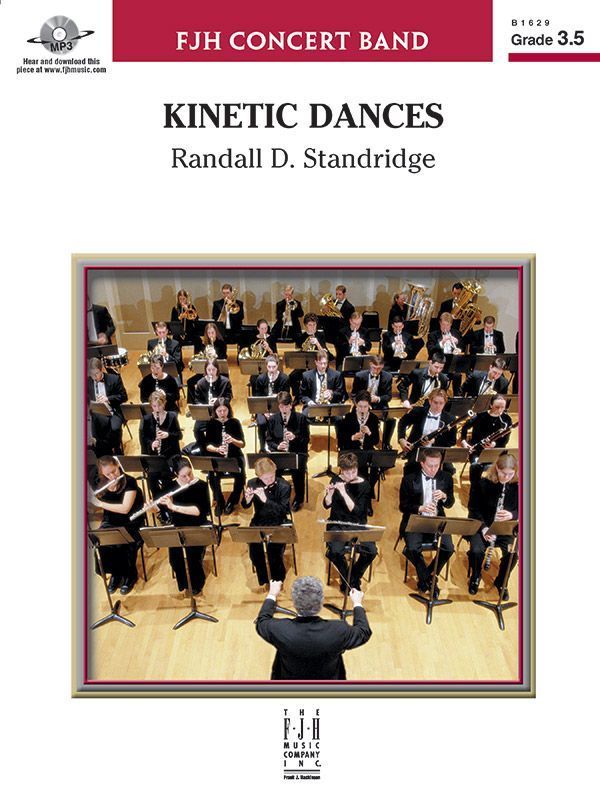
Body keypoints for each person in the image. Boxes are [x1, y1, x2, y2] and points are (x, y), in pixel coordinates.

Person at [255, 576, 371, 680]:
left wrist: (272, 594)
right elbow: (363, 632)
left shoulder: (280, 629)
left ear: (294, 602)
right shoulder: (338, 630)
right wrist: (357, 603)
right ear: (321, 602)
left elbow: (261, 621)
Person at [399, 448, 455, 595]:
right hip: (415, 519)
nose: (434, 469)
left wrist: (444, 497)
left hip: (437, 519)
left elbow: (450, 503)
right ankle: (430, 580)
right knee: (412, 548)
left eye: (437, 465)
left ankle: (428, 576)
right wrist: (421, 508)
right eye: (430, 466)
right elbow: (403, 506)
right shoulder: (409, 479)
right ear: (422, 463)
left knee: (448, 548)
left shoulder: (446, 477)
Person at [88, 455, 144, 595]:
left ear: (118, 465)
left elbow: (125, 509)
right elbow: (97, 509)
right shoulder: (102, 483)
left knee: (122, 543)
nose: (112, 476)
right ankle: (116, 574)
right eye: (108, 474)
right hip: (111, 520)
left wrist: (99, 503)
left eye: (114, 471)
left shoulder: (129, 482)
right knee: (103, 542)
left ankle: (130, 575)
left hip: (130, 521)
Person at [157, 457, 212, 596]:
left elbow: (198, 511)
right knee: (174, 559)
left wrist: (173, 506)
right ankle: (183, 584)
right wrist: (152, 508)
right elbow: (161, 510)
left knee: (193, 557)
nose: (188, 478)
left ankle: (197, 584)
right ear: (176, 474)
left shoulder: (201, 486)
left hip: (197, 525)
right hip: (177, 525)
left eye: (190, 473)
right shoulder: (169, 487)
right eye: (184, 476)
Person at [467, 452, 519, 599]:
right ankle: (475, 576)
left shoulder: (518, 486)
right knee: (476, 550)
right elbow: (473, 509)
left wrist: (512, 515)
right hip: (482, 526)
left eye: (510, 474)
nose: (506, 477)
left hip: (505, 529)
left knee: (513, 554)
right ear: (497, 468)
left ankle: (501, 581)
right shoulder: (483, 484)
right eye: (503, 473)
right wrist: (484, 528)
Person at [324, 452, 376, 591]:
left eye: (354, 472)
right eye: (347, 473)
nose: (351, 476)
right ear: (341, 470)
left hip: (358, 524)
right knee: (335, 551)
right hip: (337, 524)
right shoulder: (335, 480)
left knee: (371, 551)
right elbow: (327, 505)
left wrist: (344, 493)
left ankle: (353, 576)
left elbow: (358, 512)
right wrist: (329, 494)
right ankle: (347, 579)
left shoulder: (365, 485)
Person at [241, 457, 291, 586]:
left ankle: (278, 578)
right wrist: (248, 499)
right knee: (254, 551)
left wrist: (265, 500)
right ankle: (263, 579)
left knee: (274, 552)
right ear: (259, 476)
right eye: (265, 478)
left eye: (272, 476)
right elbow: (245, 505)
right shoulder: (252, 483)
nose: (269, 480)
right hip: (259, 520)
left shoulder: (284, 486)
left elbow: (283, 511)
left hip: (278, 521)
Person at [265, 391, 310, 511]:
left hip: (297, 452)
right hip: (280, 453)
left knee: (297, 470)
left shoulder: (301, 418)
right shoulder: (273, 419)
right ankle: (278, 496)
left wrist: (295, 437)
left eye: (286, 406)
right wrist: (277, 447)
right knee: (273, 470)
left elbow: (306, 440)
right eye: (281, 407)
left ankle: (298, 498)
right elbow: (269, 441)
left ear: (291, 405)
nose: (283, 409)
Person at [203, 397, 246, 515]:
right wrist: (217, 449)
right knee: (212, 476)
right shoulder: (211, 423)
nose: (222, 413)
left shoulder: (235, 422)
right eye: (219, 411)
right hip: (217, 456)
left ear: (229, 410)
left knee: (241, 477)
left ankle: (232, 500)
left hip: (234, 456)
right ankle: (220, 500)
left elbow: (242, 444)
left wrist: (232, 440)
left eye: (225, 410)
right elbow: (207, 445)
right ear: (215, 411)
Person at [139, 390, 183, 503]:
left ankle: (168, 503)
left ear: (164, 404)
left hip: (170, 455)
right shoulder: (146, 419)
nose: (157, 409)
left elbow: (179, 435)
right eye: (154, 406)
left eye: (159, 405)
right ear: (151, 406)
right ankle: (161, 505)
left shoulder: (172, 416)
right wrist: (151, 443)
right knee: (151, 478)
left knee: (166, 476)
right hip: (154, 456)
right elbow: (144, 438)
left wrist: (168, 435)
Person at [397, 388, 456, 464]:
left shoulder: (450, 419)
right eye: (435, 402)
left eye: (441, 403)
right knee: (411, 468)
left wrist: (434, 441)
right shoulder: (418, 412)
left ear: (445, 403)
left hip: (437, 452)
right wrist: (401, 439)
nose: (438, 406)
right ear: (430, 401)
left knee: (449, 470)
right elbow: (402, 422)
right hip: (417, 450)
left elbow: (452, 441)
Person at [351, 355, 395, 448]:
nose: (376, 371)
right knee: (351, 417)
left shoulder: (388, 377)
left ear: (382, 366)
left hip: (379, 405)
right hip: (362, 405)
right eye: (374, 368)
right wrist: (360, 404)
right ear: (370, 364)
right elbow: (354, 394)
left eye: (379, 369)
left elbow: (388, 396)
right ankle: (354, 441)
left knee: (391, 420)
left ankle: (385, 444)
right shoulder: (359, 376)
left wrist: (378, 398)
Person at [87, 357, 127, 455]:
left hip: (113, 411)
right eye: (92, 374)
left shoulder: (114, 379)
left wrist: (108, 399)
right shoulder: (88, 382)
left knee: (114, 428)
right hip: (96, 414)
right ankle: (102, 452)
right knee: (93, 429)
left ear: (101, 370)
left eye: (96, 374)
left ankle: (116, 449)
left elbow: (123, 397)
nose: (94, 377)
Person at [253, 356, 291, 449]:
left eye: (274, 367)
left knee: (282, 420)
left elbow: (287, 397)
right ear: (266, 366)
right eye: (269, 367)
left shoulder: (284, 378)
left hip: (280, 408)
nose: (271, 370)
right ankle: (262, 447)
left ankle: (280, 445)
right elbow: (258, 398)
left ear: (277, 365)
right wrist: (265, 412)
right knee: (261, 423)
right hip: (264, 408)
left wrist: (278, 396)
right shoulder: (261, 379)